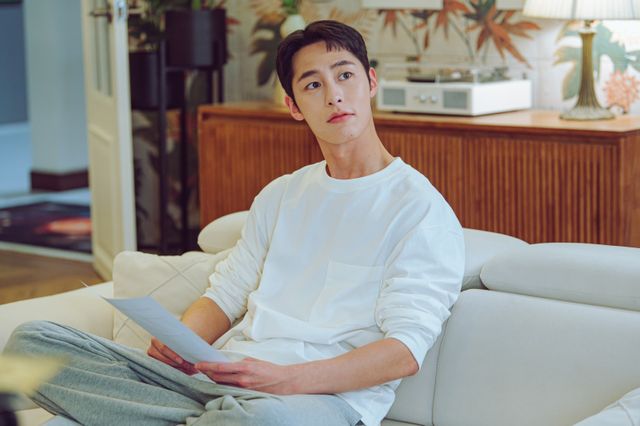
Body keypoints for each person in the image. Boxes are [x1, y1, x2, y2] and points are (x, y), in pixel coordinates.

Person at [4, 20, 464, 426]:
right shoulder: (282, 194)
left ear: (370, 81)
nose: (334, 95)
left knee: (260, 419)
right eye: (313, 85)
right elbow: (226, 294)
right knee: (32, 343)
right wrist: (184, 343)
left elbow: (404, 352)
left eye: (345, 75)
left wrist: (285, 380)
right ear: (294, 106)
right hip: (221, 380)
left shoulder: (419, 209)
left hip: (318, 400)